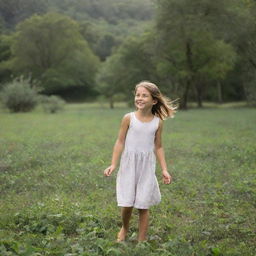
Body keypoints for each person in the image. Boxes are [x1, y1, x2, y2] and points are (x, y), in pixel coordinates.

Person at [103, 81, 177, 242]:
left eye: (144, 95)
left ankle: (141, 241)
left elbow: (159, 146)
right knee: (127, 203)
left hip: (146, 168)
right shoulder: (128, 118)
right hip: (129, 165)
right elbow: (120, 141)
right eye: (138, 95)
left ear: (154, 100)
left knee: (143, 205)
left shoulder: (157, 122)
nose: (140, 98)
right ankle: (125, 227)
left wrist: (164, 169)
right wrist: (113, 164)